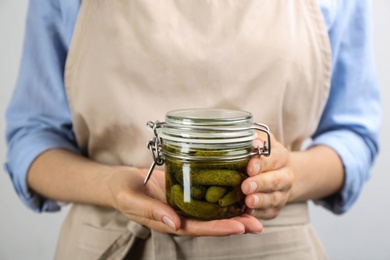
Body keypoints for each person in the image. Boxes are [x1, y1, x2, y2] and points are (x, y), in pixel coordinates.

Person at [5, 0, 381, 259]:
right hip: (109, 244)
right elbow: (32, 137)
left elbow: (354, 135)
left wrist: (288, 176)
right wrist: (111, 185)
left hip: (272, 245)